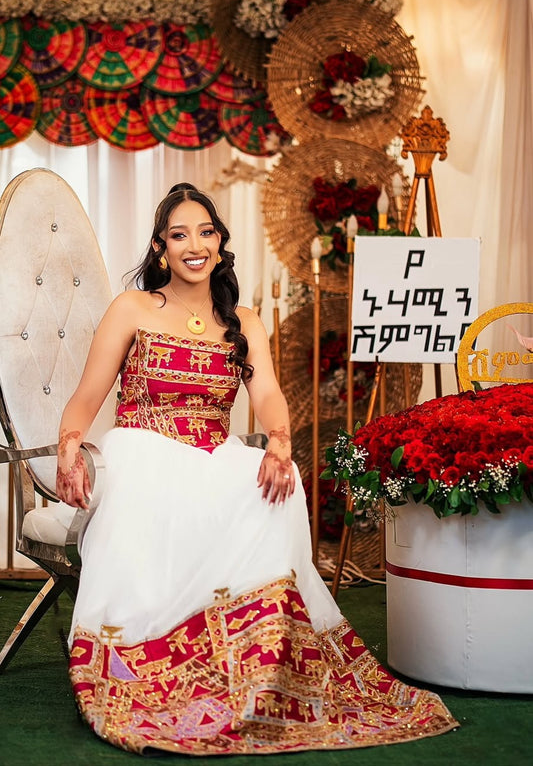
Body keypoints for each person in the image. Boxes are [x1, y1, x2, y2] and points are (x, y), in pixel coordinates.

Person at [56, 183, 457, 756]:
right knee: (147, 486)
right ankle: (146, 659)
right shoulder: (133, 309)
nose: (193, 245)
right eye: (178, 235)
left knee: (277, 485)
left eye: (205, 232)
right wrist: (71, 444)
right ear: (159, 248)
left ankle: (257, 664)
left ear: (219, 243)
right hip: (142, 450)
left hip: (213, 455)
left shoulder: (242, 319)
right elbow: (87, 394)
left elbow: (266, 392)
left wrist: (278, 440)